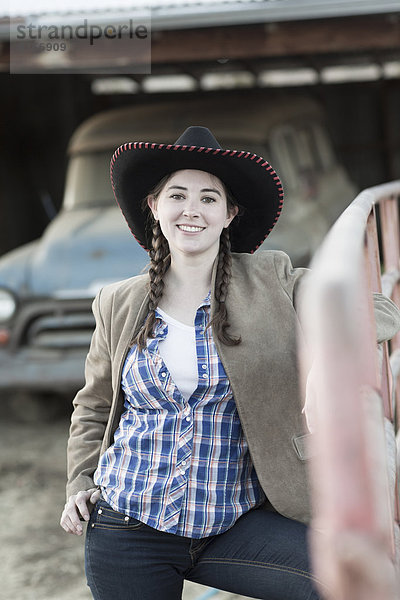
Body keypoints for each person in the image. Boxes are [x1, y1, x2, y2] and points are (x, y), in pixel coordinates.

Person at [60, 126, 400, 600]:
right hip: (127, 527)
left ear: (229, 213)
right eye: (177, 195)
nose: (191, 210)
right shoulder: (117, 302)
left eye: (208, 198)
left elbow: (378, 307)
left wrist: (325, 350)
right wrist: (80, 479)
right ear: (155, 208)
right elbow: (94, 406)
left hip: (230, 525)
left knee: (346, 582)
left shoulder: (271, 277)